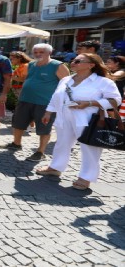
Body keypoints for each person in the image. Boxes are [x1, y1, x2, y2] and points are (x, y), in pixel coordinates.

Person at [35, 53, 121, 190]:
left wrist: (89, 103)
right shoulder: (66, 80)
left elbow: (115, 100)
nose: (72, 62)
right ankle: (55, 167)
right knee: (62, 143)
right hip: (64, 116)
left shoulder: (103, 82)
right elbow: (55, 96)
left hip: (88, 118)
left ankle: (86, 177)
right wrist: (48, 112)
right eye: (73, 60)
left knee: (90, 147)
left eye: (78, 61)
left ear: (91, 65)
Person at [8, 44, 70, 161]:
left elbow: (67, 85)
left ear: (49, 53)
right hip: (25, 99)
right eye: (36, 52)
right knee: (18, 123)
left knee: (44, 127)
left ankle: (40, 152)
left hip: (45, 102)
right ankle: (16, 144)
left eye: (41, 52)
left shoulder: (57, 66)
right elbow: (28, 79)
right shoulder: (31, 64)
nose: (38, 54)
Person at [105, 55, 125, 121]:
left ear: (117, 63)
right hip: (107, 95)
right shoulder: (109, 71)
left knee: (112, 115)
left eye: (109, 62)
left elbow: (114, 76)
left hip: (115, 96)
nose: (107, 64)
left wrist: (102, 70)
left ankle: (112, 129)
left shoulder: (122, 71)